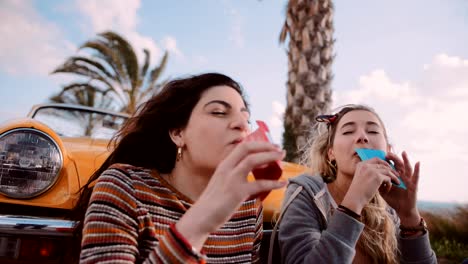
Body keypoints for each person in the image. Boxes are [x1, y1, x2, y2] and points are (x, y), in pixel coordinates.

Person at [72, 73, 287, 263]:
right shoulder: (125, 187)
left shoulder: (248, 208)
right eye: (219, 112)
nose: (241, 124)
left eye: (245, 117)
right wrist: (200, 222)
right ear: (178, 133)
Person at [277, 104, 437, 263]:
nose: (362, 137)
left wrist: (409, 216)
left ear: (387, 150)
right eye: (348, 131)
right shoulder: (306, 193)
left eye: (373, 131)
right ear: (330, 153)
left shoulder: (390, 211)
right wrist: (354, 202)